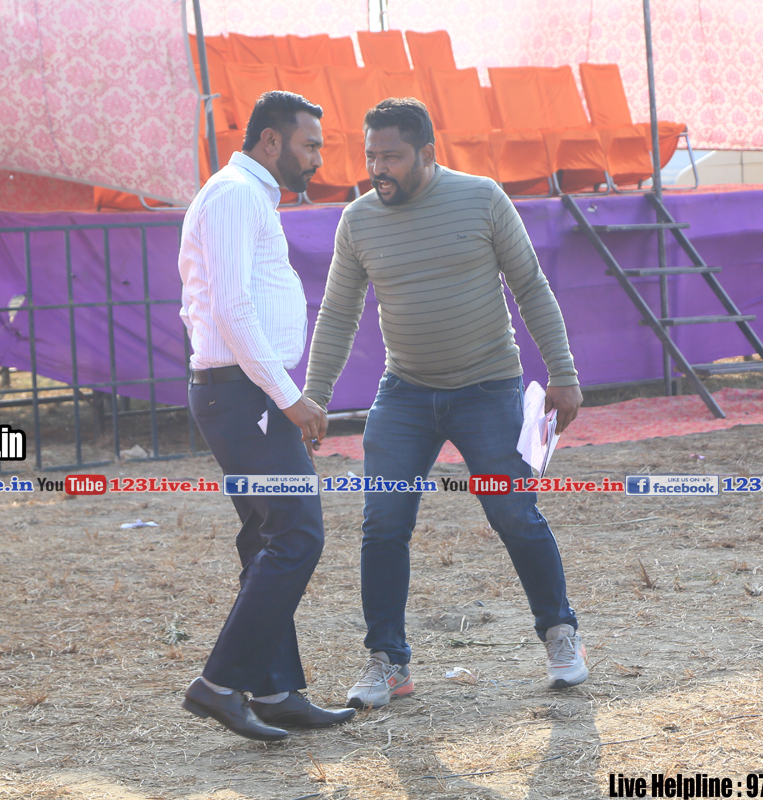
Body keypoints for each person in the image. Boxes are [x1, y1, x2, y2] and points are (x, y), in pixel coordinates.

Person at [303, 98, 589, 710]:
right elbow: (337, 313)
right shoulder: (358, 220)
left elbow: (530, 286)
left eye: (392, 157)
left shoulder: (482, 198)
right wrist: (315, 397)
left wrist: (563, 373)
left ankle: (560, 634)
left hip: (489, 387)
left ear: (427, 153)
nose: (378, 168)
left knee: (514, 515)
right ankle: (388, 663)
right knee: (383, 523)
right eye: (371, 156)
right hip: (404, 392)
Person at [177, 91, 355, 741]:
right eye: (310, 145)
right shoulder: (234, 196)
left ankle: (276, 691)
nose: (317, 159)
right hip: (245, 395)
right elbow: (231, 309)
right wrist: (288, 397)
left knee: (267, 538)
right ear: (272, 141)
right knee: (297, 535)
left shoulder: (249, 195)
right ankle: (218, 685)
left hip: (247, 393)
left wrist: (278, 394)